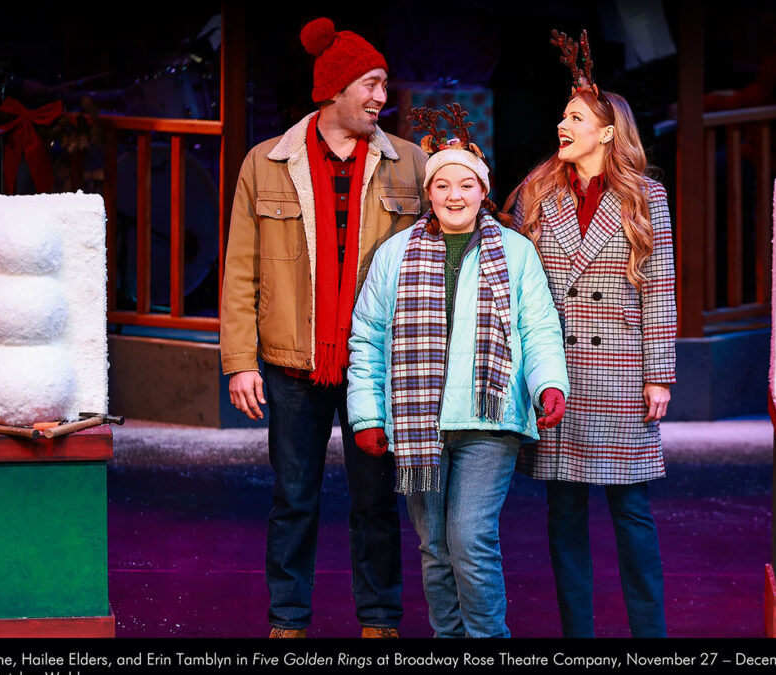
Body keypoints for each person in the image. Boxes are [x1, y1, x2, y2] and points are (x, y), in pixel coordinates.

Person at [220, 17, 427, 638]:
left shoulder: (410, 164)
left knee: (376, 501)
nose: (381, 96)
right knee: (293, 500)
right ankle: (288, 622)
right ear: (334, 88)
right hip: (291, 361)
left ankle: (380, 622)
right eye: (370, 83)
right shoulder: (266, 163)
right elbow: (240, 269)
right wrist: (240, 361)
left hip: (374, 362)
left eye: (384, 83)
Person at [346, 105, 569, 638]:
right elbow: (368, 338)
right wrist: (366, 415)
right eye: (442, 185)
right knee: (435, 547)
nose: (454, 195)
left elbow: (539, 327)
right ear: (429, 193)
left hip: (489, 421)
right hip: (419, 422)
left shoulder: (515, 252)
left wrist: (549, 383)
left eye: (466, 185)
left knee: (470, 539)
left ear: (482, 191)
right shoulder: (395, 254)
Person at [505, 29, 677, 638]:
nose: (562, 124)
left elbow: (659, 288)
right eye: (562, 116)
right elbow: (515, 279)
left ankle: (650, 637)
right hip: (557, 373)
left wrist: (659, 375)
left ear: (607, 132)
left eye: (575, 117)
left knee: (631, 510)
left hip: (620, 373)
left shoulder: (645, 197)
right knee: (564, 512)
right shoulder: (537, 192)